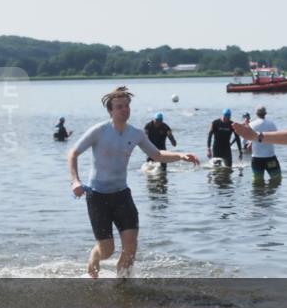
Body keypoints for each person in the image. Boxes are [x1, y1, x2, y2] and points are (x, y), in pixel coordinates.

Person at [68, 86, 200, 279]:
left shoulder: (135, 133)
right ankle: (95, 256)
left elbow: (156, 154)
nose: (124, 110)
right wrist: (75, 181)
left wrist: (180, 155)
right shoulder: (99, 131)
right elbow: (73, 153)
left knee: (130, 247)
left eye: (127, 106)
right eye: (119, 107)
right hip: (97, 196)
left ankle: (121, 286)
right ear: (111, 111)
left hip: (122, 195)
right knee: (107, 250)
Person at [248, 107, 281, 182]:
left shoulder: (251, 125)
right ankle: (271, 193)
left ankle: (258, 193)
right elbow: (277, 137)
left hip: (256, 159)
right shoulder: (271, 124)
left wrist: (251, 143)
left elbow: (247, 141)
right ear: (265, 114)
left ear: (256, 114)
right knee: (276, 180)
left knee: (257, 182)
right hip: (270, 158)